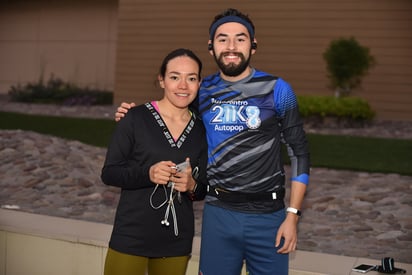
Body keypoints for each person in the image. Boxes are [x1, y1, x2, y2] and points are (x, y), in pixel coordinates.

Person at [115, 8, 310, 275]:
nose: (231, 46)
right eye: (222, 39)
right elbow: (171, 110)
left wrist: (293, 216)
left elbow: (299, 152)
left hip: (269, 217)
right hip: (219, 213)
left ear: (253, 46)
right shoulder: (201, 90)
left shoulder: (278, 90)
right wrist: (135, 113)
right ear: (211, 47)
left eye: (240, 38)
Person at [101, 48, 208, 275]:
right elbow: (110, 172)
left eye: (191, 78)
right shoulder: (134, 117)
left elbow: (203, 188)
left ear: (199, 83)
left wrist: (192, 185)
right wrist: (147, 174)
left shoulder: (202, 129)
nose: (183, 86)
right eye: (174, 77)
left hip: (176, 240)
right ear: (161, 80)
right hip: (131, 234)